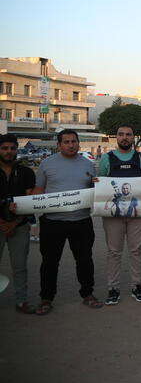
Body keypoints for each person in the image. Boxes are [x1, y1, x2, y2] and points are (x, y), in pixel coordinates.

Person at [31, 129, 102, 314]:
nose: (71, 145)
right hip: (53, 222)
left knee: (85, 260)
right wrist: (30, 210)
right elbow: (38, 190)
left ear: (79, 143)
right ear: (59, 145)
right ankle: (46, 298)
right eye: (67, 142)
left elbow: (95, 190)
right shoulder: (46, 164)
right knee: (49, 262)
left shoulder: (89, 164)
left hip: (81, 221)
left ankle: (88, 294)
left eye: (74, 141)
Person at [97, 124, 141, 305]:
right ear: (116, 137)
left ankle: (137, 285)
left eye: (128, 134)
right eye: (121, 134)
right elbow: (101, 183)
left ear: (133, 137)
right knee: (114, 252)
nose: (125, 137)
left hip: (137, 212)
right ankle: (113, 288)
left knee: (136, 251)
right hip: (113, 214)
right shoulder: (106, 158)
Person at [1, 134, 37, 313]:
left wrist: (14, 223)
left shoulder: (26, 172)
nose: (9, 152)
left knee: (20, 266)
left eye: (12, 148)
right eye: (4, 148)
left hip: (19, 226)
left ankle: (21, 301)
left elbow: (29, 201)